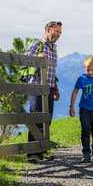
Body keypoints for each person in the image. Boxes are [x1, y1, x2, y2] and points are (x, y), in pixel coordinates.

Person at [27, 21, 62, 162]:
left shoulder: (54, 48)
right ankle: (32, 153)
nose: (58, 35)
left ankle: (42, 151)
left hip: (49, 88)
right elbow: (25, 60)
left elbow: (52, 71)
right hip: (35, 86)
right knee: (35, 118)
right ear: (48, 30)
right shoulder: (37, 43)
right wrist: (37, 59)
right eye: (56, 31)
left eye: (60, 33)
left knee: (47, 119)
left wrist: (55, 88)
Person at [69, 56, 93, 163]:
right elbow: (75, 92)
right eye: (87, 69)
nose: (90, 72)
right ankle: (86, 153)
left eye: (92, 69)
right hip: (84, 109)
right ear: (84, 68)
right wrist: (71, 106)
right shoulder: (82, 79)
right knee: (85, 130)